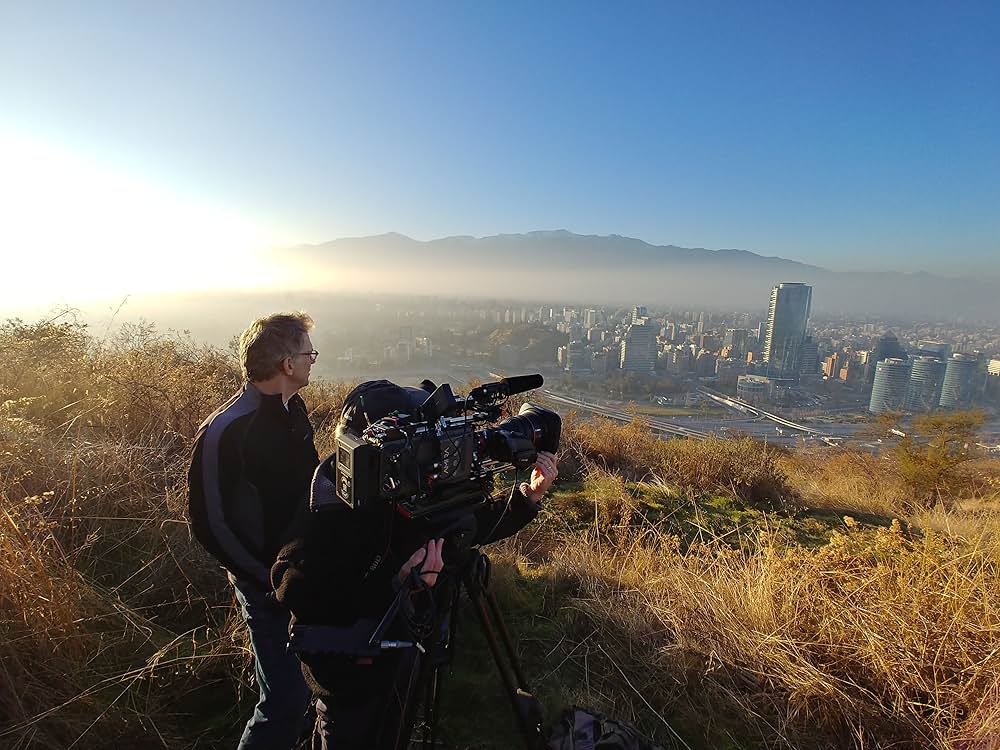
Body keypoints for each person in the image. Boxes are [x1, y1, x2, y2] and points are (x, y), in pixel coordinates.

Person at [271, 380, 559, 750]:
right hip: (349, 674)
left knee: (392, 726)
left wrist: (527, 497)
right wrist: (399, 585)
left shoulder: (412, 485)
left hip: (402, 651)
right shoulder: (330, 501)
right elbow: (293, 586)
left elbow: (465, 528)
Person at [188, 312, 320, 750]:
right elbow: (209, 524)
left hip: (303, 574)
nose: (312, 361)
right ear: (286, 364)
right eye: (307, 353)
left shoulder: (293, 410)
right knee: (282, 699)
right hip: (264, 585)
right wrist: (263, 577)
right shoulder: (225, 431)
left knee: (310, 686)